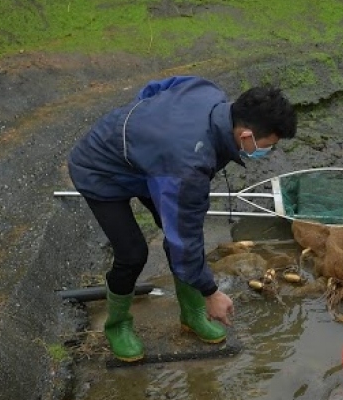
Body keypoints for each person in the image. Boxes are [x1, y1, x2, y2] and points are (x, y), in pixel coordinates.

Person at [68, 76, 297, 362]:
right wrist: (212, 293)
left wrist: (150, 137)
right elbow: (185, 236)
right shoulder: (188, 165)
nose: (268, 152)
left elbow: (154, 90)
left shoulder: (207, 91)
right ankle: (118, 325)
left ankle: (191, 313)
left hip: (152, 164)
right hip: (99, 168)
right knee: (133, 253)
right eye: (268, 145)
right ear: (246, 136)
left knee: (179, 230)